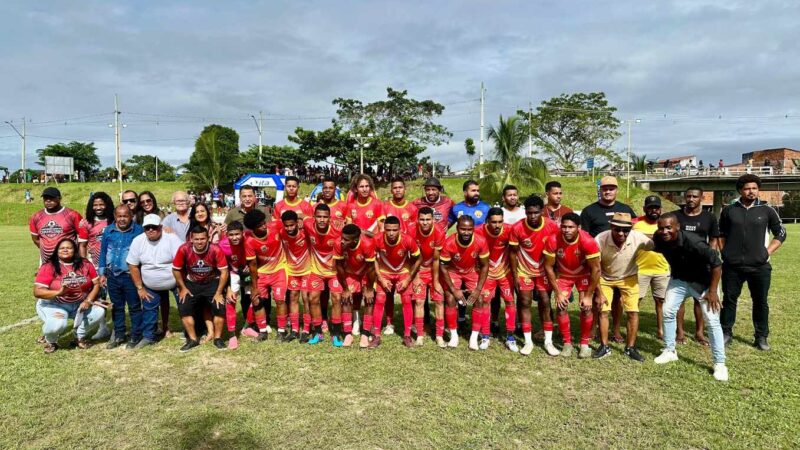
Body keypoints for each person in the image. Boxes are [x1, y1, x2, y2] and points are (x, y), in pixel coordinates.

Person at [652, 213, 728, 381]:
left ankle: (720, 363)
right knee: (668, 311)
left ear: (678, 227)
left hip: (702, 283)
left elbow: (717, 264)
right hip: (679, 280)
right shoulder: (659, 238)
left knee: (712, 321)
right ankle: (670, 350)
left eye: (668, 228)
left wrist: (713, 291)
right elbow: (650, 243)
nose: (664, 231)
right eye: (661, 228)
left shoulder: (694, 242)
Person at [719, 174, 786, 351]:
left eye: (754, 188)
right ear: (740, 190)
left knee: (760, 301)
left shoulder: (767, 210)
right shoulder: (729, 210)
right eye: (747, 188)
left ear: (758, 190)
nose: (751, 191)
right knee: (729, 300)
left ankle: (761, 337)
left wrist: (767, 252)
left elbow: (781, 233)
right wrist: (724, 252)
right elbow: (721, 234)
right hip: (732, 266)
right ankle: (726, 333)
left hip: (759, 266)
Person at [580, 175, 635, 342]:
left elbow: (633, 232)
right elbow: (585, 236)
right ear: (600, 190)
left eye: (611, 188)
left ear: (616, 190)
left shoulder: (625, 209)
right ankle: (593, 327)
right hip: (597, 260)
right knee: (597, 296)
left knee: (617, 298)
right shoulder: (589, 211)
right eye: (605, 189)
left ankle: (616, 329)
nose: (608, 191)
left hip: (619, 261)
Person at [594, 213, 654, 361]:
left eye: (625, 230)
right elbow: (595, 268)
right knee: (603, 311)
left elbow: (656, 244)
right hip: (605, 277)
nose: (621, 233)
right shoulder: (600, 239)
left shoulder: (638, 238)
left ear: (631, 229)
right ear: (611, 226)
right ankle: (604, 346)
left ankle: (630, 348)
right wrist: (599, 293)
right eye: (617, 229)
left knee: (633, 312)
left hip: (629, 277)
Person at [543, 213, 601, 359]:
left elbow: (596, 269)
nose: (567, 230)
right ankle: (567, 343)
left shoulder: (588, 241)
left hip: (583, 275)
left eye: (571, 227)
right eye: (564, 227)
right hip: (564, 275)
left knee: (586, 308)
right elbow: (548, 267)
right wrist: (558, 292)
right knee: (561, 306)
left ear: (578, 227)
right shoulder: (553, 239)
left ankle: (584, 344)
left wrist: (588, 296)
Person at [508, 195, 560, 356]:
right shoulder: (517, 228)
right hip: (524, 271)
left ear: (542, 211)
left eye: (536, 212)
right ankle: (528, 341)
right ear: (525, 212)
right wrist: (515, 276)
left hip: (544, 271)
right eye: (529, 213)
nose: (532, 216)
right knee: (524, 302)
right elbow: (512, 253)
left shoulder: (551, 226)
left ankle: (548, 341)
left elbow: (557, 250)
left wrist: (556, 273)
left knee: (545, 301)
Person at [34, 238, 105, 353]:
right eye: (62, 248)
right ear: (57, 251)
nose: (65, 250)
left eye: (69, 248)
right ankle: (51, 340)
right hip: (54, 304)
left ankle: (79, 336)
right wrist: (58, 292)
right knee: (58, 324)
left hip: (79, 304)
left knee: (99, 311)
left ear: (75, 250)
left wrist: (88, 300)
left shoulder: (85, 264)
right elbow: (37, 292)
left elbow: (96, 284)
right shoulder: (49, 266)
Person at [126, 214, 183, 348]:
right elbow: (132, 265)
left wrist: (182, 285)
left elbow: (182, 261)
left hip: (174, 281)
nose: (150, 230)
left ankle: (191, 331)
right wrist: (140, 288)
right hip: (150, 284)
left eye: (154, 227)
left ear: (160, 227)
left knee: (185, 305)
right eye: (147, 228)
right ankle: (148, 336)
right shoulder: (138, 241)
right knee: (149, 310)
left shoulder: (172, 239)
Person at [673, 187, 719, 345]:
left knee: (699, 299)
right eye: (688, 196)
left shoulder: (709, 217)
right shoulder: (676, 215)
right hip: (680, 264)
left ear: (702, 198)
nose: (691, 199)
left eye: (694, 196)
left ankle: (699, 332)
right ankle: (680, 333)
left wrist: (710, 258)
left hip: (701, 265)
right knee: (679, 300)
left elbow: (713, 239)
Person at [172, 225, 230, 352]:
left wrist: (219, 292)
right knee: (184, 306)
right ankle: (193, 339)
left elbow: (224, 272)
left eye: (202, 239)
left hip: (211, 282)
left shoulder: (215, 249)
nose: (199, 242)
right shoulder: (184, 249)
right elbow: (176, 270)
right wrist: (182, 287)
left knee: (219, 306)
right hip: (192, 283)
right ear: (191, 239)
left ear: (208, 238)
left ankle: (218, 338)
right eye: (196, 239)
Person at [439, 215, 490, 349]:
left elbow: (485, 266)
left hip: (471, 271)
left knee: (479, 299)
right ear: (457, 228)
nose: (466, 232)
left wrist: (478, 289)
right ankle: (454, 336)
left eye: (469, 229)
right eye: (463, 229)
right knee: (450, 298)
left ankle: (473, 337)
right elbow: (443, 267)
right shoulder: (449, 243)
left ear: (473, 229)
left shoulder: (481, 241)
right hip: (453, 271)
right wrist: (453, 289)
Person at [475, 207, 521, 352]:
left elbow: (516, 250)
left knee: (510, 301)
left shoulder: (509, 230)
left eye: (500, 222)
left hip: (505, 272)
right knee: (485, 302)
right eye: (494, 222)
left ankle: (510, 337)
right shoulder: (478, 231)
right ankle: (485, 335)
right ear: (487, 221)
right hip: (487, 273)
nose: (497, 225)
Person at [372, 216, 422, 348]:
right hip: (384, 272)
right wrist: (380, 278)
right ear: (384, 229)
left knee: (406, 300)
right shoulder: (377, 239)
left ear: (400, 229)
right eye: (388, 230)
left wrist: (408, 279)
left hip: (403, 272)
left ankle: (407, 335)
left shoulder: (408, 240)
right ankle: (376, 336)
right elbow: (373, 259)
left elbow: (418, 259)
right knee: (379, 299)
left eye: (394, 230)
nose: (391, 233)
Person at [99, 205, 144, 349]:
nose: (122, 219)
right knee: (117, 307)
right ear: (115, 216)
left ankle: (136, 334)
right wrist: (102, 273)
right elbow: (103, 252)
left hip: (130, 276)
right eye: (119, 216)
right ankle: (119, 334)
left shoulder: (138, 231)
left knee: (134, 307)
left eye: (125, 216)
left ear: (131, 216)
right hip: (112, 275)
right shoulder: (108, 230)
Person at [243, 209, 288, 343]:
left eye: (264, 222)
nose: (264, 226)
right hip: (262, 272)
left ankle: (282, 330)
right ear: (253, 228)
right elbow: (252, 265)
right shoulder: (249, 241)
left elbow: (291, 221)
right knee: (257, 301)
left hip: (279, 269)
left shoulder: (275, 226)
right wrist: (254, 287)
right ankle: (262, 331)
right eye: (260, 225)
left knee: (280, 300)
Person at [632, 195, 673, 342]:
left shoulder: (665, 224)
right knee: (635, 301)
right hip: (640, 268)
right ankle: (633, 329)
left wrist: (645, 236)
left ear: (661, 209)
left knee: (661, 301)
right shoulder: (636, 223)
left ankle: (661, 330)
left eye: (656, 207)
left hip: (661, 268)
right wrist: (655, 237)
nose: (654, 210)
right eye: (650, 208)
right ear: (645, 209)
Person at [304, 203, 344, 344]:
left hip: (334, 271)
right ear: (314, 217)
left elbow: (353, 232)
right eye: (319, 216)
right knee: (313, 298)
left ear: (330, 218)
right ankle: (318, 332)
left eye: (325, 217)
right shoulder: (308, 225)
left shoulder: (337, 230)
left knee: (337, 298)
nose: (322, 220)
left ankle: (336, 333)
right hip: (317, 271)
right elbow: (300, 218)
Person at [77, 192, 114, 341]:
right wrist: (84, 265)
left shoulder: (113, 220)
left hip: (113, 264)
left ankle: (118, 327)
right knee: (100, 296)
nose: (98, 207)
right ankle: (103, 327)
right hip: (96, 266)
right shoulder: (86, 223)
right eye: (95, 205)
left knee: (116, 296)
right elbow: (82, 245)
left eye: (101, 204)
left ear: (107, 205)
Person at [334, 224, 377, 348]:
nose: (342, 241)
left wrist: (369, 289)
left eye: (346, 239)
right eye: (342, 237)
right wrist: (345, 289)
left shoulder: (367, 244)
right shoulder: (338, 243)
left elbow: (371, 269)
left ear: (356, 240)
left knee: (369, 300)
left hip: (365, 273)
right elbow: (339, 266)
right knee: (346, 299)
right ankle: (348, 334)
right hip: (350, 272)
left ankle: (365, 334)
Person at [410, 207, 446, 347]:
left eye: (428, 219)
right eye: (422, 219)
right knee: (419, 302)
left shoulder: (439, 232)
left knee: (439, 301)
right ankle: (419, 335)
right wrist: (416, 276)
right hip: (419, 269)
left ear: (433, 219)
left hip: (434, 270)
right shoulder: (412, 230)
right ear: (417, 220)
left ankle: (439, 336)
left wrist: (436, 281)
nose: (425, 222)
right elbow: (411, 256)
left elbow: (436, 259)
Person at [279, 210, 312, 342]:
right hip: (292, 271)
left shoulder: (305, 233)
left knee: (306, 298)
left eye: (292, 225)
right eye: (286, 226)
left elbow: (312, 221)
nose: (289, 228)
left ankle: (306, 329)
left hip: (307, 270)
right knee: (293, 297)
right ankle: (294, 330)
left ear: (297, 223)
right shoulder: (281, 233)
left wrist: (302, 216)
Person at [29, 186, 83, 265]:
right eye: (45, 198)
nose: (48, 200)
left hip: (69, 261)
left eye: (51, 198)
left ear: (59, 198)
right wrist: (49, 249)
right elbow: (35, 239)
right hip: (46, 261)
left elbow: (83, 238)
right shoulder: (36, 217)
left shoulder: (72, 215)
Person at [221, 221, 249, 349]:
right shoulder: (222, 245)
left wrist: (250, 266)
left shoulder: (249, 239)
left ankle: (247, 327)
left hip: (248, 272)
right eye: (231, 235)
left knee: (254, 299)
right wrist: (227, 288)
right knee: (231, 300)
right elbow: (223, 268)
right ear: (227, 235)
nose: (234, 237)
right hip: (232, 273)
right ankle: (232, 335)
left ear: (243, 233)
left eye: (237, 234)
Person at [347, 174, 385, 239]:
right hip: (358, 242)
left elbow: (382, 229)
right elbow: (349, 229)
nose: (365, 189)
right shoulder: (351, 206)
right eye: (361, 187)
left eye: (367, 186)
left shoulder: (378, 204)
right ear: (355, 189)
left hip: (373, 242)